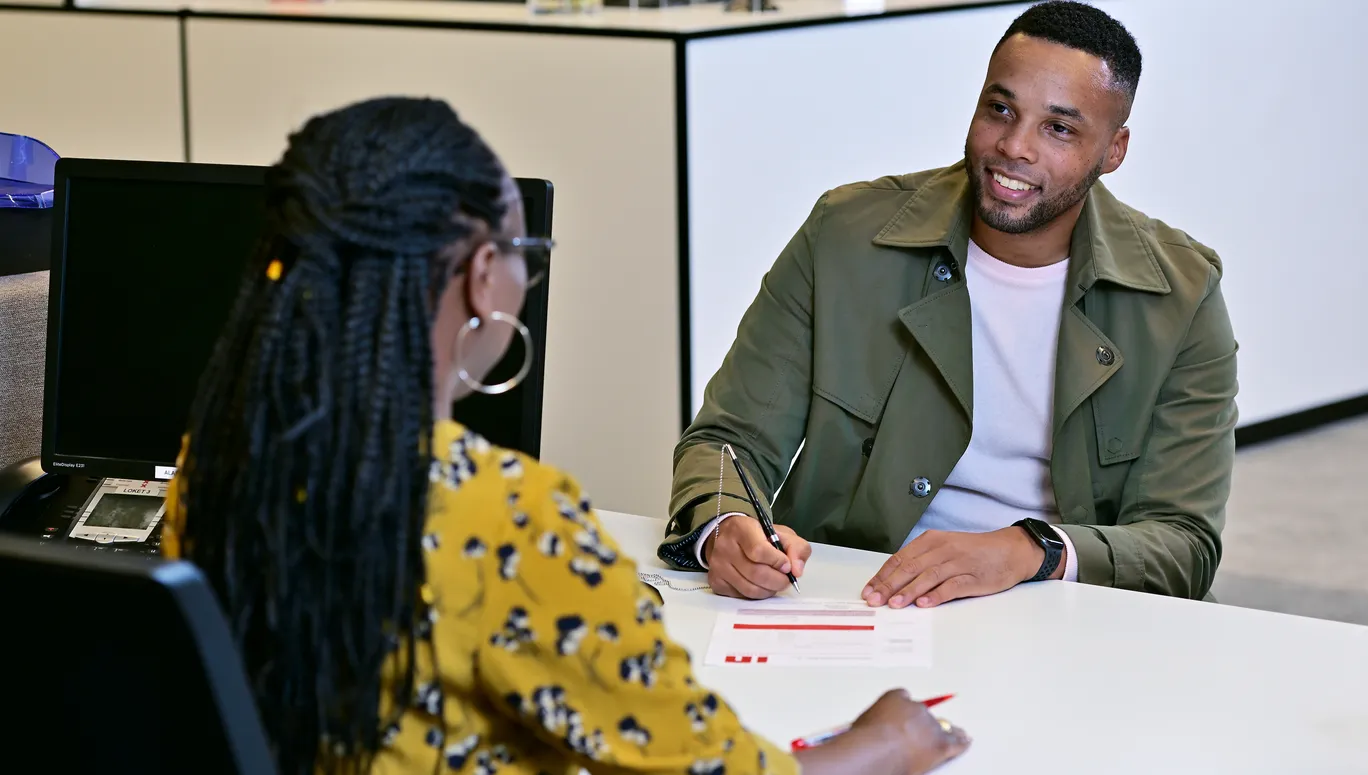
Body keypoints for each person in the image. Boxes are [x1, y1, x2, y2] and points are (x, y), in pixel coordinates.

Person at [162, 98, 969, 775]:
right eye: (524, 252)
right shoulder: (503, 513)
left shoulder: (219, 460)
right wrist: (885, 743)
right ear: (484, 275)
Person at [660, 0, 1238, 608]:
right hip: (857, 598)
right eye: (1001, 109)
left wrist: (1034, 550)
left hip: (1056, 611)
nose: (1015, 146)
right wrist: (723, 528)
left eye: (1059, 128)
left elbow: (1184, 544)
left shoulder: (1182, 295)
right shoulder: (843, 237)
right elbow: (728, 439)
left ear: (1113, 151)